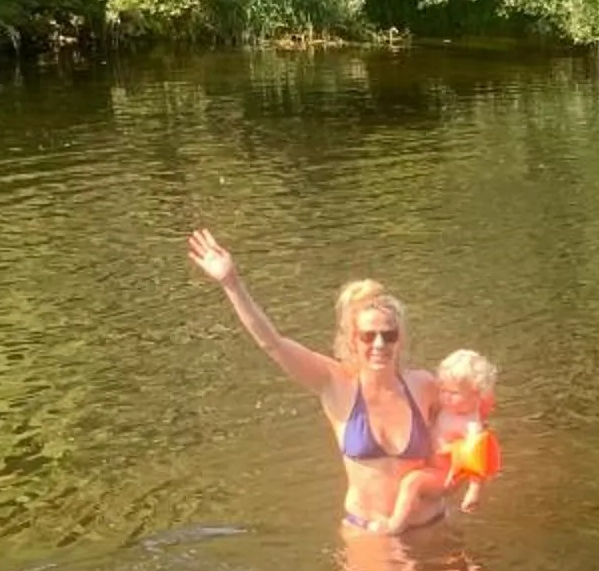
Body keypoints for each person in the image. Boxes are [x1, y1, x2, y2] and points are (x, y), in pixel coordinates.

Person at [184, 228, 448, 535]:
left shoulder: (424, 386)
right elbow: (274, 344)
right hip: (369, 534)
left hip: (433, 528)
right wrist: (231, 283)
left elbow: (457, 439)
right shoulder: (336, 384)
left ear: (399, 339)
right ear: (352, 339)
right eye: (368, 336)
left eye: (388, 335)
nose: (379, 344)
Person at [381, 349, 500, 534]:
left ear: (475, 394)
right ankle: (413, 511)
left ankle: (394, 526)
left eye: (453, 393)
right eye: (443, 390)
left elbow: (478, 461)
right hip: (433, 466)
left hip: (444, 476)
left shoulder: (471, 425)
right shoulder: (447, 409)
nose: (445, 397)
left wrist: (473, 492)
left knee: (412, 482)